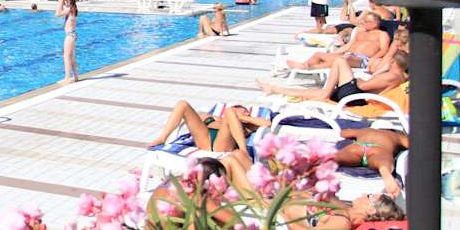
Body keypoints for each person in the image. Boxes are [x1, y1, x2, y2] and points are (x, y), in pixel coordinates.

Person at [258, 49, 408, 109]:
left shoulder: (391, 76)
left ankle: (325, 93)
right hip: (355, 96)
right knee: (318, 91)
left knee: (340, 61)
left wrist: (358, 79)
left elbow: (364, 86)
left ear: (393, 62)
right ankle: (274, 89)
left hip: (355, 98)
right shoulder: (399, 76)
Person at [150, 99, 263, 155]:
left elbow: (268, 124)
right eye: (233, 109)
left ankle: (243, 152)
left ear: (246, 112)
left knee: (229, 112)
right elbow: (196, 122)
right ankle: (162, 138)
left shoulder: (248, 125)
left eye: (237, 109)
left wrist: (243, 118)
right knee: (182, 104)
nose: (233, 109)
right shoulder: (213, 117)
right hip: (204, 141)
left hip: (221, 146)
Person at [57, 0, 79, 83]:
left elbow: (57, 14)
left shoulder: (69, 9)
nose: (65, 2)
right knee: (72, 57)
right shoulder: (72, 9)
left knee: (66, 57)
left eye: (66, 0)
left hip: (70, 36)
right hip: (72, 35)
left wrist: (60, 1)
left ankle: (67, 78)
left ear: (69, 1)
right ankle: (76, 77)